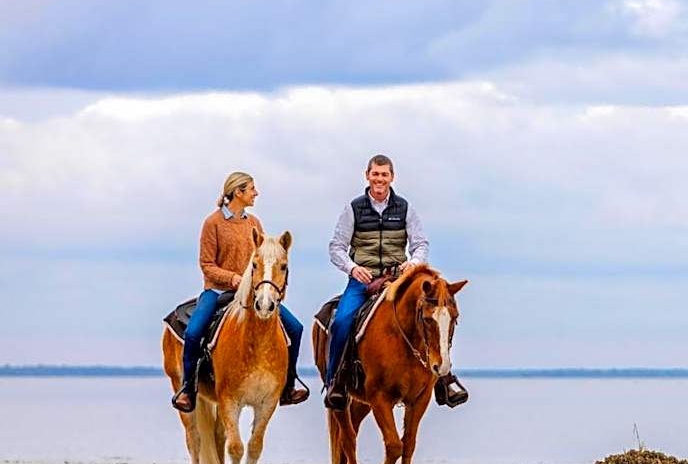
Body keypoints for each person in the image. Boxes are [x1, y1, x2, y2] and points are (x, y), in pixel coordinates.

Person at [324, 154, 468, 409]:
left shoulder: (405, 208)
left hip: (396, 278)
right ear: (367, 176)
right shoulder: (353, 209)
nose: (379, 179)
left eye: (384, 174)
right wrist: (353, 268)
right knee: (343, 321)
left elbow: (420, 243)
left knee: (432, 316)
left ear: (392, 177)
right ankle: (336, 382)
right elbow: (336, 247)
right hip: (363, 280)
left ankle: (444, 378)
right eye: (375, 174)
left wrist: (413, 263)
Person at [171, 172, 308, 413]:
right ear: (238, 192)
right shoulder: (212, 223)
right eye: (252, 189)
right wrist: (233, 278)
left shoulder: (254, 223)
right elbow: (207, 265)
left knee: (295, 328)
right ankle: (188, 390)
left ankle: (288, 385)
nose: (256, 193)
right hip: (217, 291)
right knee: (193, 333)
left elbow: (264, 258)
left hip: (252, 293)